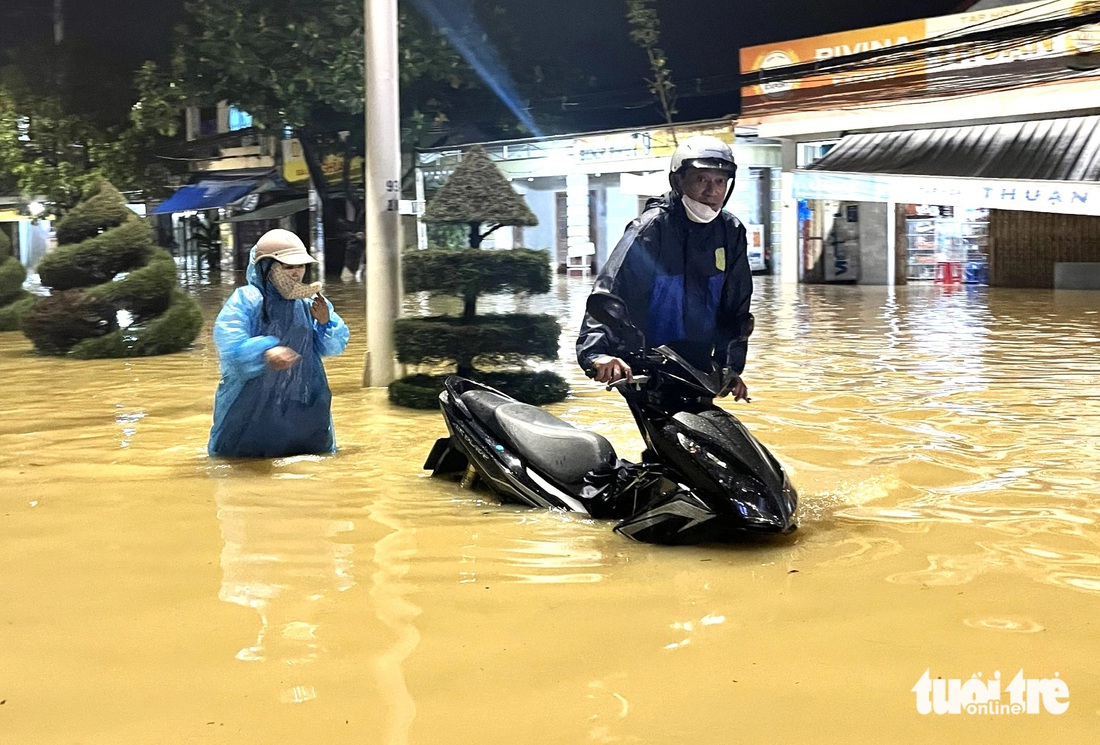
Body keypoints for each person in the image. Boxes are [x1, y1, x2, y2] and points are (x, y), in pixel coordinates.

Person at [576, 135, 754, 402]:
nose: (712, 191)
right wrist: (598, 354)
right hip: (648, 368)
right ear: (678, 181)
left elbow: (735, 308)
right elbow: (611, 293)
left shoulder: (731, 231)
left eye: (720, 181)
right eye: (701, 180)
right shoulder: (650, 229)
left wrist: (730, 368)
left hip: (700, 369)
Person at [208, 229, 350, 458]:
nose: (296, 273)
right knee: (244, 468)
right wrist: (264, 352)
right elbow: (230, 350)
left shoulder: (310, 303)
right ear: (266, 268)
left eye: (301, 266)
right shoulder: (246, 300)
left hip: (305, 408)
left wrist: (325, 323)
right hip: (251, 411)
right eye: (288, 266)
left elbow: (335, 346)